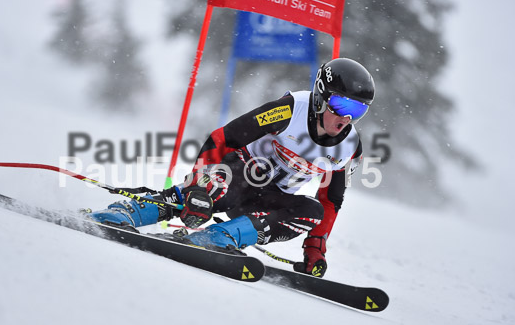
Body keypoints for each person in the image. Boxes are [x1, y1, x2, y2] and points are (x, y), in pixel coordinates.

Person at [89, 57, 375, 278]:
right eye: (340, 104)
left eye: (359, 110)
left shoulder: (349, 147)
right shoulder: (290, 109)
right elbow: (222, 139)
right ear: (321, 95)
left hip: (268, 201)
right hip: (239, 176)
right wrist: (201, 186)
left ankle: (218, 238)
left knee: (310, 212)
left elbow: (331, 200)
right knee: (227, 181)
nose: (347, 118)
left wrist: (315, 248)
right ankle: (128, 211)